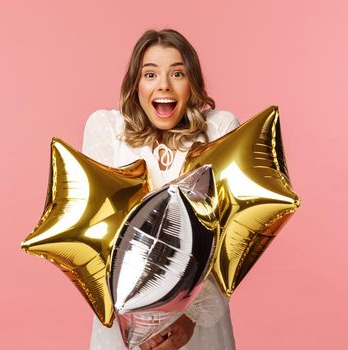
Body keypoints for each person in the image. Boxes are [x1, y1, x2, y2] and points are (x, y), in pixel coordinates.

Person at [82, 29, 238, 350]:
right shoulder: (107, 130)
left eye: (177, 73)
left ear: (191, 83)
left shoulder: (219, 130)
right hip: (123, 322)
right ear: (136, 84)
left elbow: (231, 239)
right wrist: (138, 322)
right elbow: (96, 233)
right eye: (150, 74)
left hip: (198, 325)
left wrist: (189, 319)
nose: (163, 84)